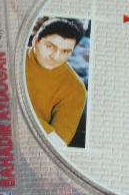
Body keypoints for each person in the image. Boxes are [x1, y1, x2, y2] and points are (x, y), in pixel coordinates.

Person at [25, 18, 87, 146]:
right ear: (36, 40)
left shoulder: (76, 89)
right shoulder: (7, 59)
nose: (56, 57)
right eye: (50, 46)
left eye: (65, 51)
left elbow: (58, 142)